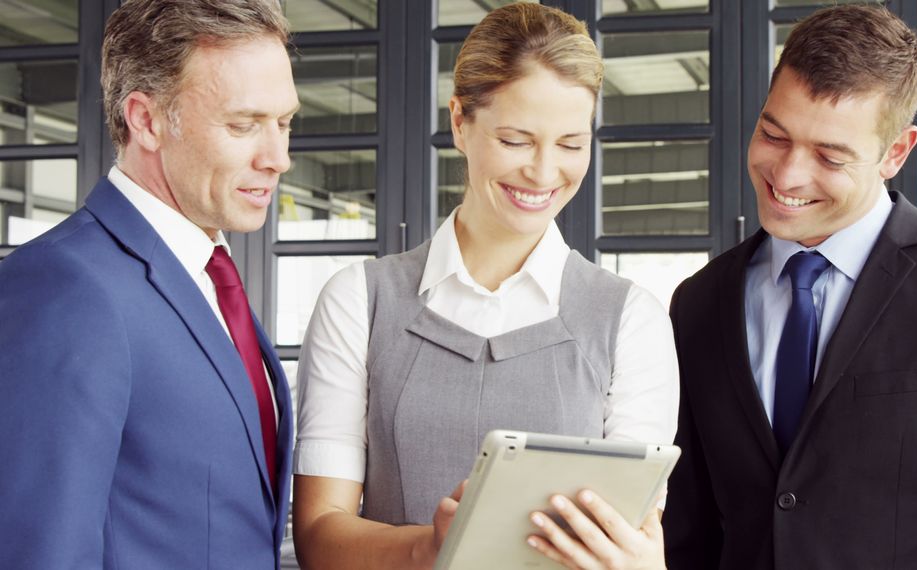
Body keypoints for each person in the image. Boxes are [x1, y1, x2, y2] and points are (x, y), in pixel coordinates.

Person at [663, 5, 917, 570]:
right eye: (772, 134)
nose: (786, 176)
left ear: (896, 153)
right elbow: (689, 534)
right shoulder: (699, 302)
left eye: (830, 156)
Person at [291, 4, 678, 569]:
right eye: (517, 140)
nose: (545, 173)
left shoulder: (632, 321)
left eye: (571, 144)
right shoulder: (360, 300)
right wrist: (429, 548)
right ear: (459, 123)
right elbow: (320, 537)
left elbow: (627, 542)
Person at [0, 0, 299, 567]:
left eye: (284, 123)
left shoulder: (208, 273)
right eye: (243, 125)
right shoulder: (64, 287)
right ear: (145, 119)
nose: (278, 158)